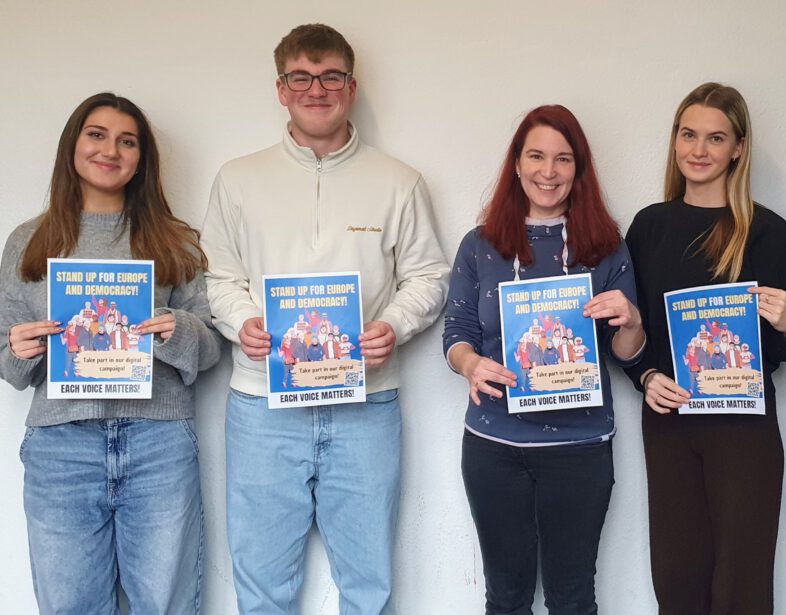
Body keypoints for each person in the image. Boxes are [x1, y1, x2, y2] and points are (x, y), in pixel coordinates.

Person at [201, 23, 449, 614]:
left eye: (331, 76)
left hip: (367, 404)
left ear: (352, 87)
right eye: (302, 78)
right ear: (281, 89)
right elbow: (219, 278)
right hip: (262, 407)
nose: (317, 89)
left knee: (368, 584)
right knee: (262, 586)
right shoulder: (237, 179)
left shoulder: (399, 181)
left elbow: (429, 276)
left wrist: (393, 325)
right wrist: (244, 322)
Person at [0, 92, 220, 613]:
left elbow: (212, 346)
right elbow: (6, 357)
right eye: (96, 135)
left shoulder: (176, 242)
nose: (110, 150)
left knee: (165, 604)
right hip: (60, 446)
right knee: (69, 605)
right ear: (72, 146)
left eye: (128, 141)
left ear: (142, 159)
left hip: (158, 442)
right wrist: (19, 349)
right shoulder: (28, 241)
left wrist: (178, 331)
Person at [443, 104, 645, 614]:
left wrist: (632, 323)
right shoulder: (480, 245)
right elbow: (457, 333)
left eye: (563, 159)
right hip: (494, 446)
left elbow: (624, 356)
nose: (548, 172)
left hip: (580, 448)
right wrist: (469, 364)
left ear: (579, 168)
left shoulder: (607, 248)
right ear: (516, 164)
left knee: (571, 596)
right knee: (506, 596)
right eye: (536, 156)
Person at [624, 82, 786, 614]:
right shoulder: (649, 227)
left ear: (739, 148)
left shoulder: (765, 229)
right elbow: (630, 334)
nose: (699, 150)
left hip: (743, 427)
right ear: (674, 140)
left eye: (716, 138)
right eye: (688, 135)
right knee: (676, 578)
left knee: (741, 583)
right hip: (670, 422)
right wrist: (645, 377)